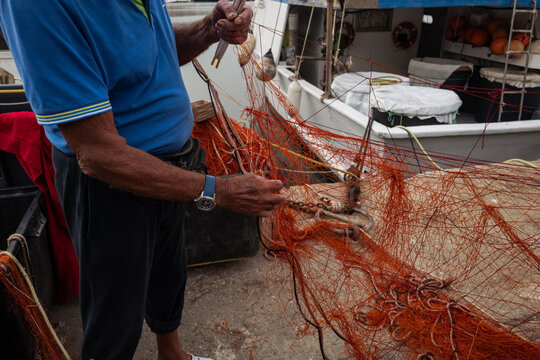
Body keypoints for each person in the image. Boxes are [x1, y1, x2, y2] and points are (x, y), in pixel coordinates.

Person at [0, 0, 287, 359]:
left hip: (174, 165)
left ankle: (172, 353)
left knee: (169, 273)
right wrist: (218, 189)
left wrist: (209, 30)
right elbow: (98, 155)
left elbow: (156, 50)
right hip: (110, 184)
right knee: (115, 315)